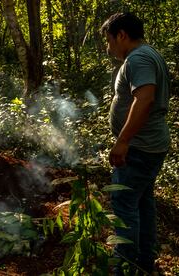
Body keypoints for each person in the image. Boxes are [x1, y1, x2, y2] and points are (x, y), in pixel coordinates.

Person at [101, 13, 170, 275]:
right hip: (149, 144)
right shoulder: (149, 54)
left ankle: (125, 266)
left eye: (109, 40)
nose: (109, 49)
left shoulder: (138, 58)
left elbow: (145, 99)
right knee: (142, 201)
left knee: (123, 203)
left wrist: (123, 141)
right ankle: (143, 261)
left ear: (121, 35)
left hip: (139, 147)